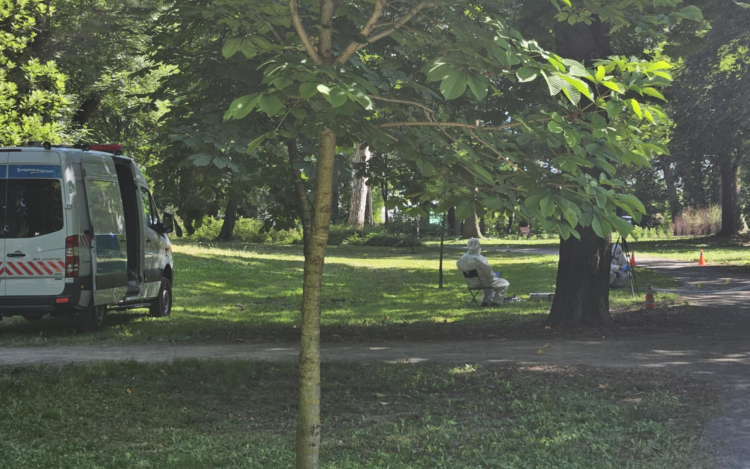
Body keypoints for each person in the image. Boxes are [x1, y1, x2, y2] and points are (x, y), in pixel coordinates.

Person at [457, 238, 510, 306]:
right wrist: (494, 275)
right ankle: (496, 302)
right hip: (482, 282)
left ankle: (485, 302)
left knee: (489, 283)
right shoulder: (479, 258)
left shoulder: (462, 258)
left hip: (470, 283)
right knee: (504, 283)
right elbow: (489, 274)